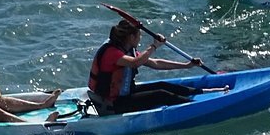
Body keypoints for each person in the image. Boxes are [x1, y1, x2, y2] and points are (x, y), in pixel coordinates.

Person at [88, 20, 223, 114]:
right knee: (160, 94)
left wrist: (187, 65)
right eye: (139, 36)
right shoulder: (112, 53)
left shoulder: (127, 50)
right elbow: (136, 62)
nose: (140, 39)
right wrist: (154, 46)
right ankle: (196, 108)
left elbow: (156, 63)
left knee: (163, 85)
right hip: (114, 103)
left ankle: (203, 92)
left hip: (127, 93)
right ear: (131, 37)